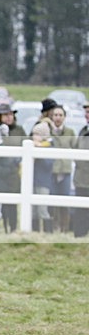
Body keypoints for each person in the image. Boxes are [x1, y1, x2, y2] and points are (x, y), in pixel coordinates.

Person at [0, 103, 25, 232]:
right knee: (0, 202)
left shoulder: (19, 130)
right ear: (0, 117)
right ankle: (1, 226)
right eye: (6, 115)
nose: (9, 117)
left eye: (10, 114)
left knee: (12, 202)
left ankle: (13, 227)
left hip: (14, 171)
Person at [48, 104, 76, 232]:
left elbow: (75, 148)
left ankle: (65, 227)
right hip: (52, 170)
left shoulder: (70, 132)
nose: (58, 118)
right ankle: (54, 225)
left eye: (60, 115)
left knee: (65, 200)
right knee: (52, 200)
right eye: (55, 115)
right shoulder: (48, 131)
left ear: (64, 117)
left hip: (65, 171)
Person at [31, 121, 54, 233]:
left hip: (43, 182)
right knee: (33, 210)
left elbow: (48, 164)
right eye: (34, 134)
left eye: (38, 134)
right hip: (32, 181)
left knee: (42, 209)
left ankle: (48, 233)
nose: (35, 137)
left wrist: (39, 152)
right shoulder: (30, 147)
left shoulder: (49, 147)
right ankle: (34, 232)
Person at [72, 101, 89, 238]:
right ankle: (79, 236)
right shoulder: (83, 130)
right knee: (81, 210)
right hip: (81, 179)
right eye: (87, 112)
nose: (87, 115)